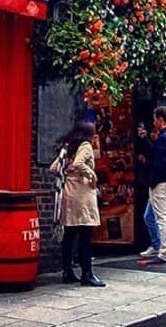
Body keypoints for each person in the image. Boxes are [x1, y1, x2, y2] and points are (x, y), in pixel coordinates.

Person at [50, 120, 106, 287]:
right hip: (82, 194)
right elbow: (79, 163)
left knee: (70, 234)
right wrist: (92, 175)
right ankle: (87, 274)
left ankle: (67, 272)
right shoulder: (86, 146)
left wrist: (67, 174)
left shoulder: (68, 147)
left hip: (68, 192)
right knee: (85, 235)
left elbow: (54, 168)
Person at [137, 106, 166, 264]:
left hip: (160, 183)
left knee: (161, 219)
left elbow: (157, 161)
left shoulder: (163, 138)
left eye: (155, 119)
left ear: (161, 120)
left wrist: (152, 181)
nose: (154, 122)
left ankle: (164, 253)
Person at [136, 125, 161, 257]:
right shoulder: (158, 144)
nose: (152, 134)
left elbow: (158, 164)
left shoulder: (161, 144)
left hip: (158, 185)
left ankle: (159, 245)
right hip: (157, 184)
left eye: (154, 132)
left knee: (152, 217)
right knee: (158, 217)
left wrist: (146, 162)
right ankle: (161, 246)